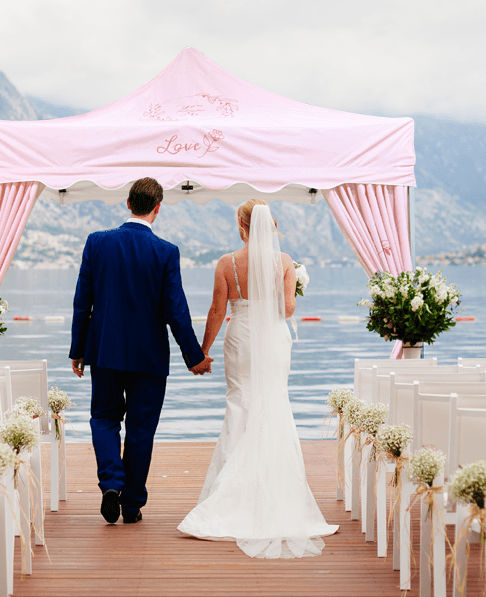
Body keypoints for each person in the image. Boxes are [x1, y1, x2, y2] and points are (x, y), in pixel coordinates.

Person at [177, 200, 338, 558]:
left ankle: (230, 492)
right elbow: (288, 309)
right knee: (274, 402)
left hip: (241, 337)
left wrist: (201, 352)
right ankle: (275, 492)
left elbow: (218, 310)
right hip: (273, 338)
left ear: (241, 224)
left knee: (239, 403)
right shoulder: (284, 263)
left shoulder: (226, 263)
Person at [70, 177, 213, 525]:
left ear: (128, 203)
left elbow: (81, 303)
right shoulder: (166, 252)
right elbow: (176, 310)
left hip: (103, 351)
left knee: (103, 418)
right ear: (157, 208)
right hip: (149, 357)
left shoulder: (97, 243)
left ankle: (111, 484)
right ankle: (131, 504)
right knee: (141, 429)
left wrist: (78, 349)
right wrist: (194, 357)